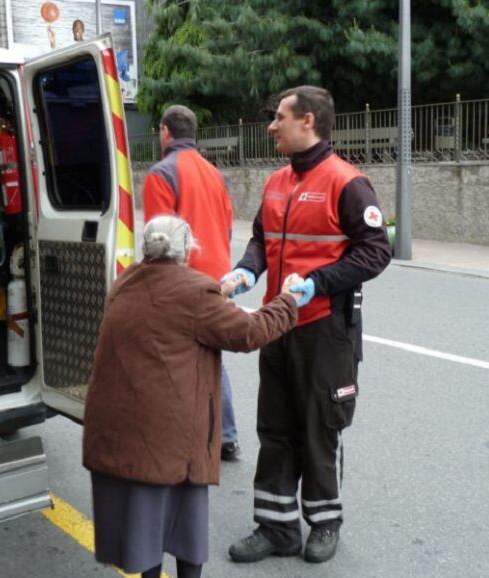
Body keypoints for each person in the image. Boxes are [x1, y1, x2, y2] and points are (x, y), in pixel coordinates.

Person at [223, 86, 392, 564]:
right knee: (275, 426)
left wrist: (318, 283)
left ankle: (325, 521)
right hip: (278, 322)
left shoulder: (347, 182)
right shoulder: (277, 180)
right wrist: (246, 270)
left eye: (280, 118)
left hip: (324, 327)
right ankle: (276, 527)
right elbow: (261, 239)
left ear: (309, 122)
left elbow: (377, 251)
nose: (272, 126)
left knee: (320, 426)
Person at [82, 215, 302, 578]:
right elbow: (250, 332)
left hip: (121, 431)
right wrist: (288, 301)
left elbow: (176, 308)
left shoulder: (124, 282)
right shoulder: (196, 292)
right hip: (170, 437)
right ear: (186, 250)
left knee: (145, 524)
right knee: (187, 522)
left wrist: (220, 292)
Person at [142, 105, 242, 462]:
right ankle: (225, 435)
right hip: (217, 276)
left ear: (166, 132)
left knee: (175, 356)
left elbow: (161, 239)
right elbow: (228, 227)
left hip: (181, 278)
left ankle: (187, 434)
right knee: (210, 355)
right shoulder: (215, 174)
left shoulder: (161, 174)